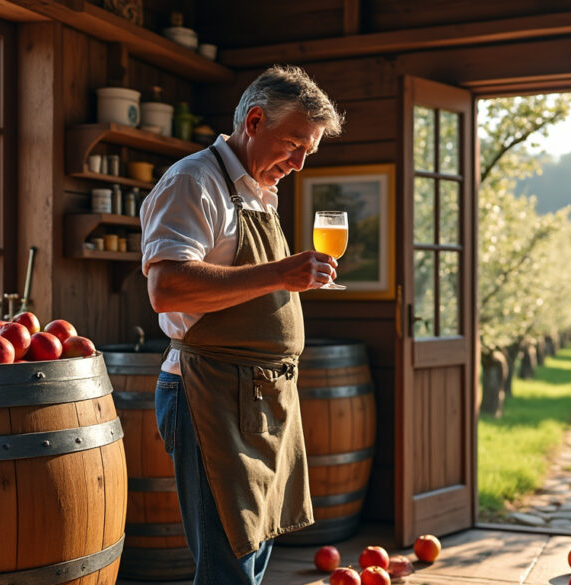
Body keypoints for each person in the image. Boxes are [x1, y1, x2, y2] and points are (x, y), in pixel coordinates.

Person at [139, 65, 344, 584]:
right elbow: (167, 287)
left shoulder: (257, 190)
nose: (298, 164)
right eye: (293, 145)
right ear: (254, 122)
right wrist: (279, 273)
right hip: (209, 394)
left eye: (308, 151)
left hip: (261, 399)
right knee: (227, 567)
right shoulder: (193, 181)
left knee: (252, 553)